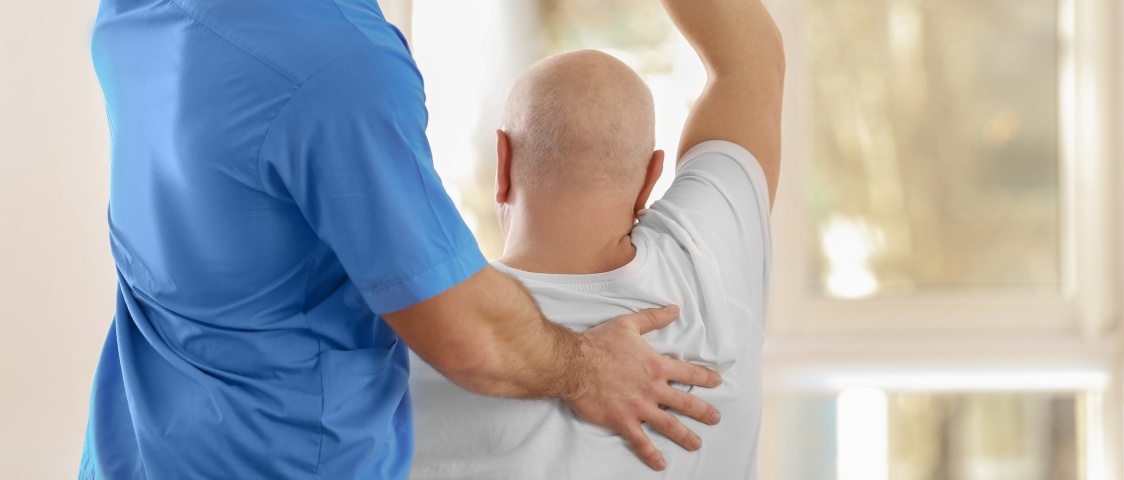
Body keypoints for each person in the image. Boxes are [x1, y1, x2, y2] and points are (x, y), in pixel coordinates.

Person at [79, 0, 723, 478]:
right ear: (649, 179)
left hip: (135, 455)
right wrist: (586, 366)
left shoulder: (138, 13)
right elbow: (469, 333)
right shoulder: (337, 65)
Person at [407, 0, 784, 477]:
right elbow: (750, 62)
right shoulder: (712, 262)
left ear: (503, 163)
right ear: (650, 178)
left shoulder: (414, 339)